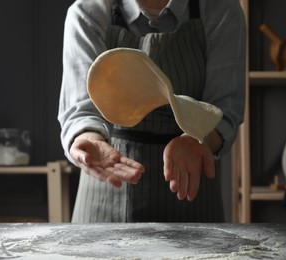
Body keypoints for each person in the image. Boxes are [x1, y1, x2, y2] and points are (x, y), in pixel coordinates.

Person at [58, 0, 246, 223]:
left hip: (189, 183)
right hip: (108, 184)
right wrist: (87, 137)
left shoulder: (221, 10)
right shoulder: (87, 13)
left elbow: (224, 109)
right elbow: (82, 109)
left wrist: (199, 141)